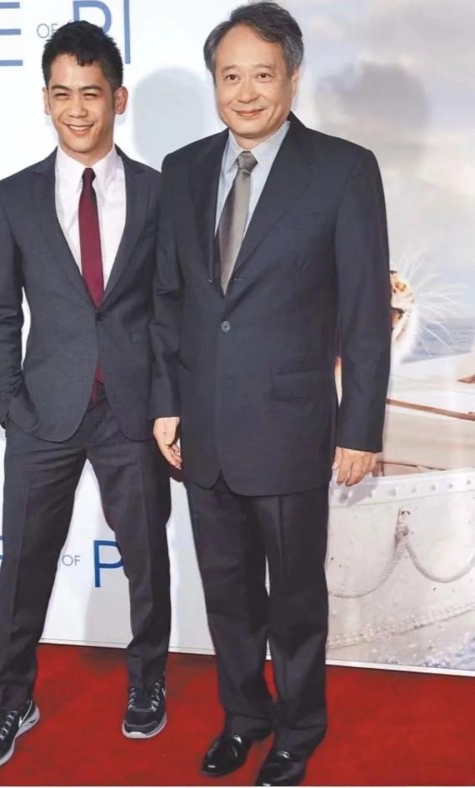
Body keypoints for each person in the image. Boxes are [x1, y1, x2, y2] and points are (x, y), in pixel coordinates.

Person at [150, 2, 390, 785]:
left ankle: (299, 729)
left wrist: (361, 430)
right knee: (227, 598)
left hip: (291, 428)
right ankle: (244, 717)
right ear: (215, 83)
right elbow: (169, 299)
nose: (245, 92)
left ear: (291, 76)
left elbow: (365, 315)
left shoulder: (343, 170)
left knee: (294, 603)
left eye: (262, 74)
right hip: (203, 430)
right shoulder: (183, 170)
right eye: (230, 76)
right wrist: (166, 401)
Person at [0, 20, 171, 770]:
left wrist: (167, 400)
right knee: (24, 565)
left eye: (91, 92)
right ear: (46, 100)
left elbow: (172, 306)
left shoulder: (158, 193)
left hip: (132, 410)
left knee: (146, 557)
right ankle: (11, 698)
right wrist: (10, 400)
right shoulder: (14, 196)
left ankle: (147, 681)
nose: (77, 109)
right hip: (43, 413)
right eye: (62, 94)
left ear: (118, 98)